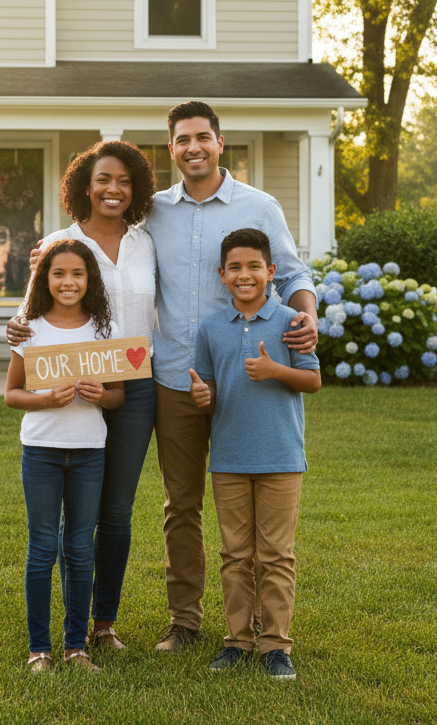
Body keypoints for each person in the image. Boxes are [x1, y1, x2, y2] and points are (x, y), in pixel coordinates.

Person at [146, 101, 318, 651]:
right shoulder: (151, 211)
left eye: (202, 137)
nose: (192, 147)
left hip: (250, 383)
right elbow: (99, 242)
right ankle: (186, 621)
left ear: (220, 142)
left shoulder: (259, 205)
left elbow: (291, 270)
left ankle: (262, 633)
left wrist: (307, 313)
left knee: (254, 513)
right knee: (182, 506)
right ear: (170, 148)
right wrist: (48, 250)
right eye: (181, 139)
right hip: (178, 377)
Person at [7, 141, 158, 652]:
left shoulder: (146, 242)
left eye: (123, 181)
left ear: (134, 189)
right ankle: (60, 634)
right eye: (103, 180)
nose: (113, 190)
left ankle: (103, 624)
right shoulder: (59, 243)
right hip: (71, 386)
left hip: (132, 385)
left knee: (115, 510)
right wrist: (14, 328)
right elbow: (31, 313)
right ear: (83, 186)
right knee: (74, 520)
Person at [189, 228, 321, 680]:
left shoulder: (291, 322)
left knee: (276, 555)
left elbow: (312, 381)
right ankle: (237, 641)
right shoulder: (209, 328)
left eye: (254, 267)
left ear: (271, 271)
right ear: (222, 275)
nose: (245, 276)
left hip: (281, 457)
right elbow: (205, 385)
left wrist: (274, 369)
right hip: (228, 459)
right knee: (235, 554)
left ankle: (276, 646)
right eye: (235, 268)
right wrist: (202, 396)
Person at [4, 239, 126, 673]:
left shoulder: (103, 330)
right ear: (44, 278)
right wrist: (47, 401)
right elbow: (11, 394)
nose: (68, 282)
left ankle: (76, 646)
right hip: (42, 450)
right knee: (42, 549)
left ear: (89, 279)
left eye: (77, 274)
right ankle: (40, 649)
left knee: (79, 547)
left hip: (89, 451)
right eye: (59, 274)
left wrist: (101, 395)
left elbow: (117, 397)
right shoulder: (30, 327)